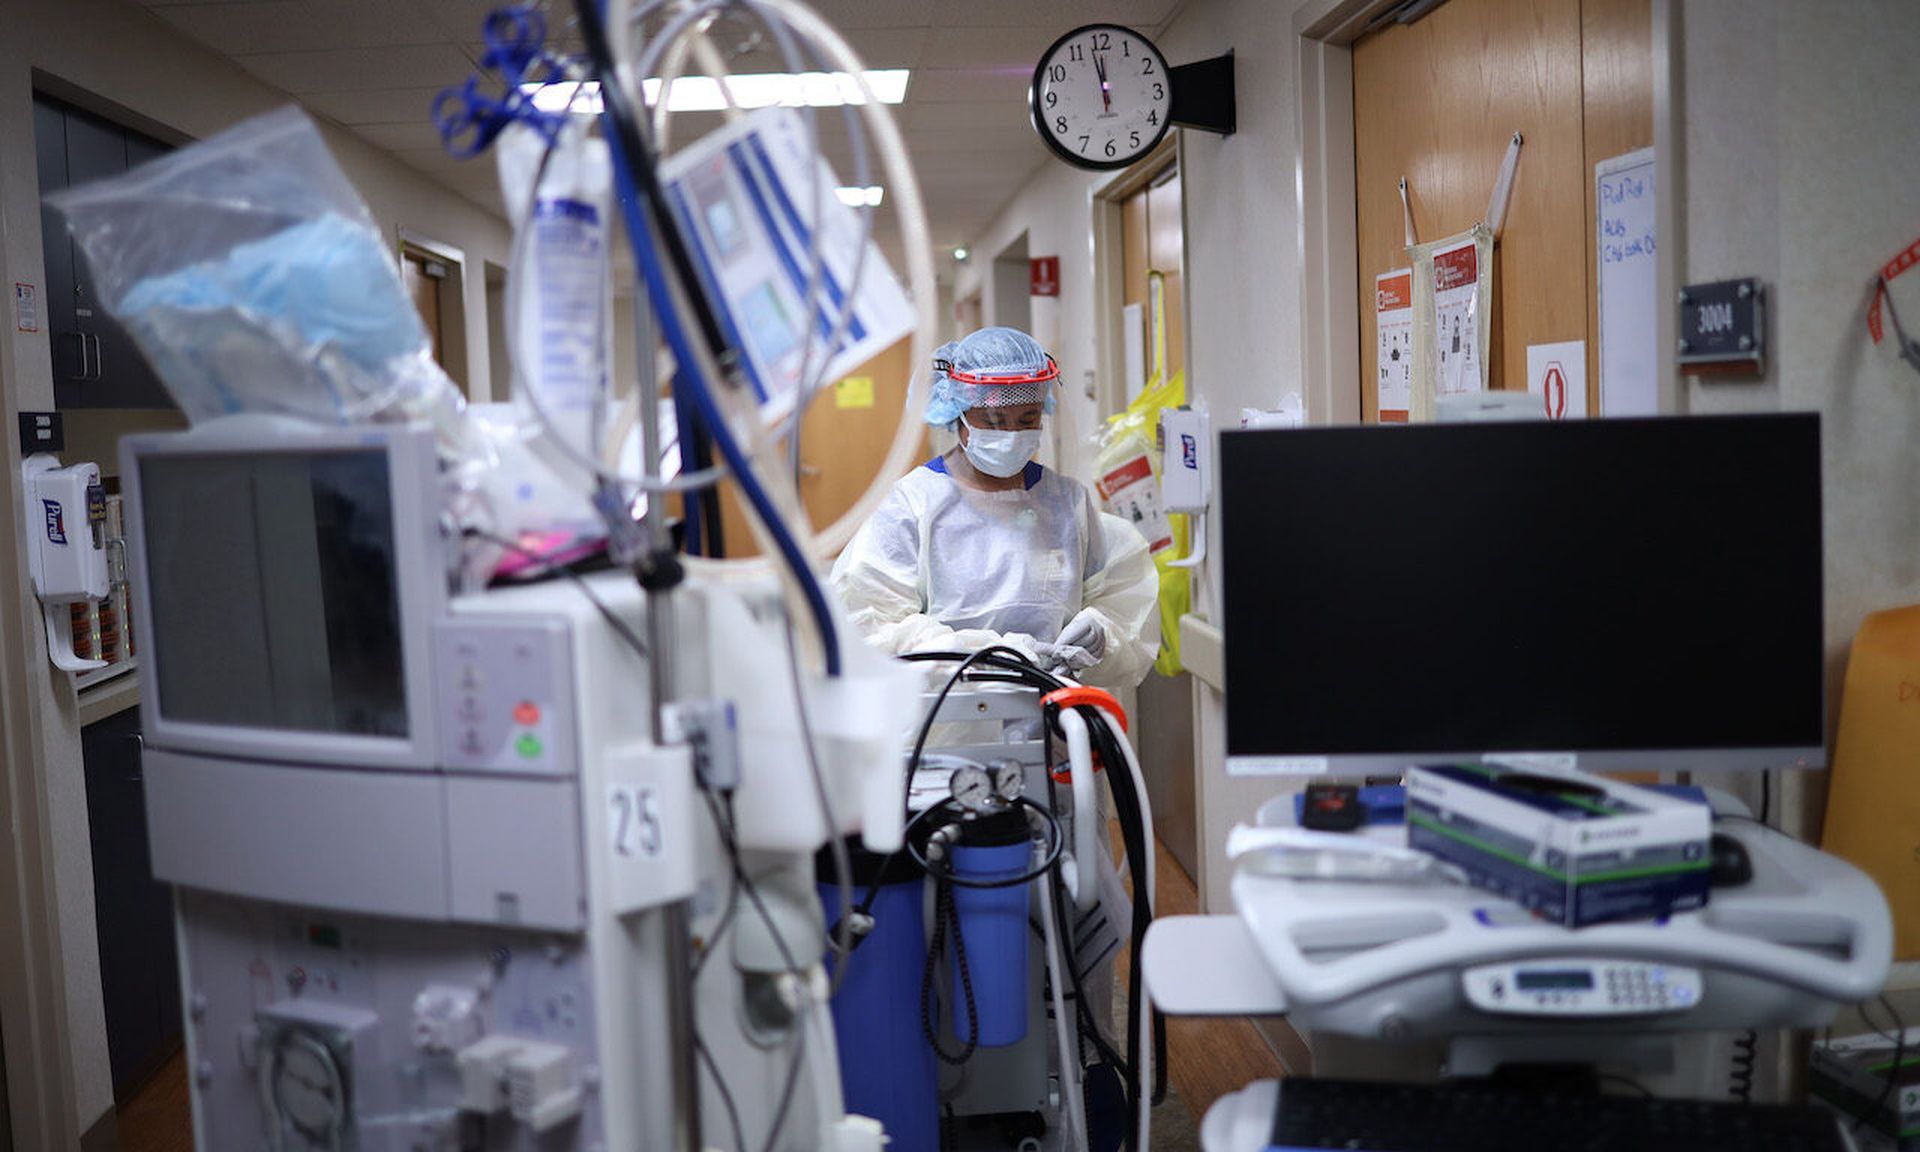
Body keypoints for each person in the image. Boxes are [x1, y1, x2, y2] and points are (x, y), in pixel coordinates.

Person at [830, 326, 1159, 688]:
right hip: (949, 723)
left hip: (1053, 717)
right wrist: (995, 656)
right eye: (994, 421)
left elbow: (1121, 595)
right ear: (958, 413)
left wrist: (1101, 630)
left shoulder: (1067, 503)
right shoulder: (912, 505)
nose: (1011, 435)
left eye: (1028, 420)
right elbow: (870, 623)